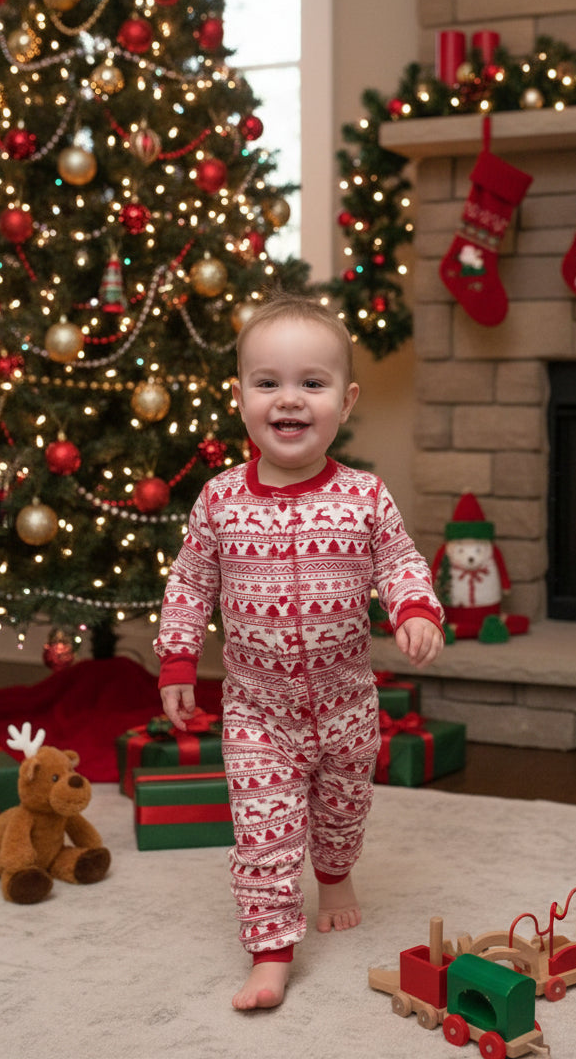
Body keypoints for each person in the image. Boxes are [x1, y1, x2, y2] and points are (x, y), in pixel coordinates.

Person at [154, 293, 444, 1011]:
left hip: (348, 707)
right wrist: (178, 659)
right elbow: (189, 582)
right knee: (265, 831)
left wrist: (413, 609)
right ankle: (271, 951)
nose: (290, 400)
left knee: (343, 814)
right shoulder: (220, 501)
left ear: (344, 402)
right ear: (241, 398)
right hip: (258, 711)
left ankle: (337, 873)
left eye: (311, 384)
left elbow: (401, 562)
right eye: (269, 383)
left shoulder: (364, 497)